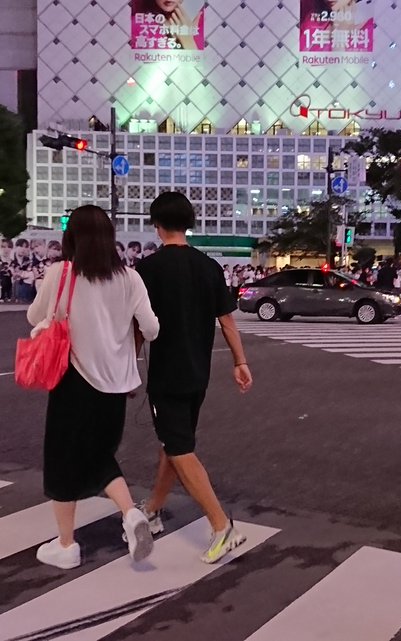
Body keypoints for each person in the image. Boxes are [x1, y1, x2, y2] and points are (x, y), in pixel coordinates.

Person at [26, 205, 160, 569]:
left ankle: (66, 545)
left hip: (74, 382)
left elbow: (35, 316)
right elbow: (152, 328)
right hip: (116, 386)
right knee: (99, 455)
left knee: (62, 460)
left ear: (73, 238)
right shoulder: (130, 278)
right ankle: (131, 514)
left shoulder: (61, 273)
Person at [135, 191, 253, 564]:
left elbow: (140, 327)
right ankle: (152, 510)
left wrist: (127, 365)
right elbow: (227, 319)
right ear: (189, 223)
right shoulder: (210, 267)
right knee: (176, 443)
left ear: (156, 225)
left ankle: (222, 526)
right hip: (197, 372)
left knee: (180, 448)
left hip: (166, 373)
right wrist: (240, 361)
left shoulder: (148, 270)